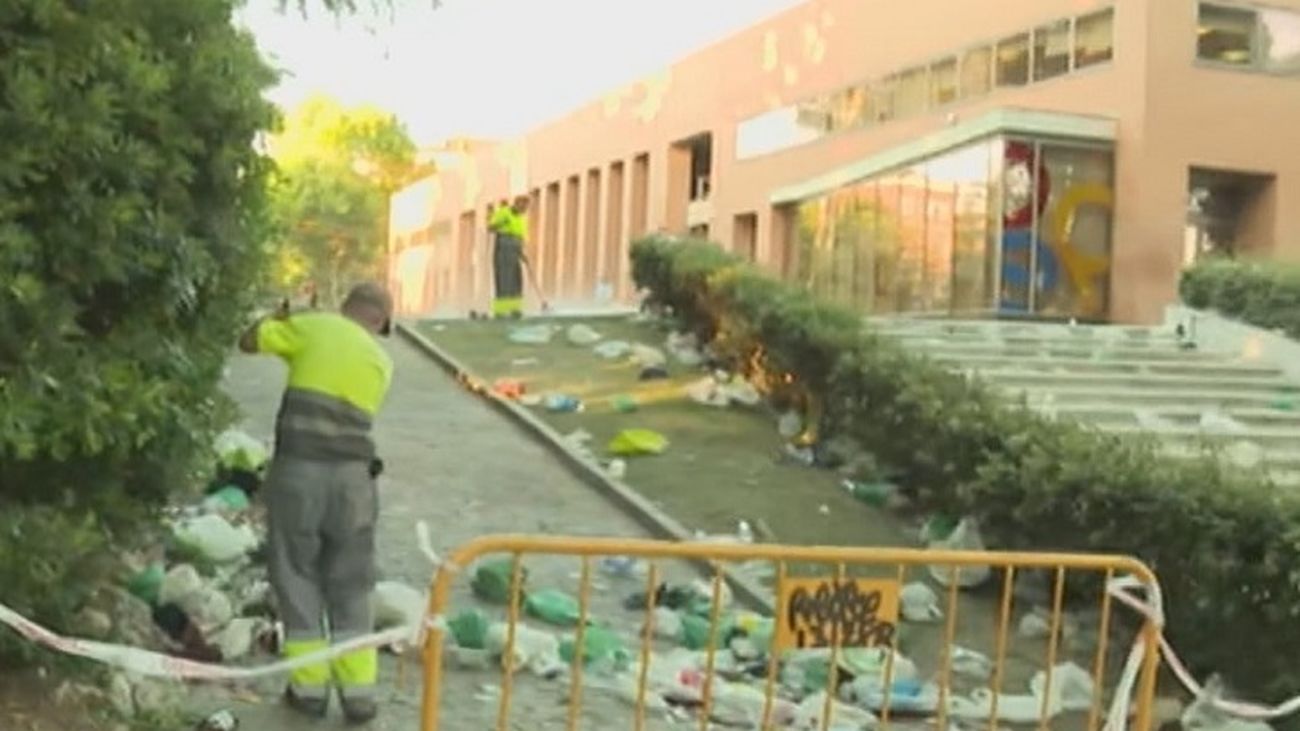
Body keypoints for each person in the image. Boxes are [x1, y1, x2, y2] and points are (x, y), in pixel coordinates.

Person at [238, 282, 395, 724]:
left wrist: (277, 318)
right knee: (351, 581)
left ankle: (308, 692)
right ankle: (358, 695)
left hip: (300, 475)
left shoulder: (315, 326)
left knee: (296, 573)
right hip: (354, 482)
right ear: (380, 320)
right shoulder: (381, 361)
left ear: (346, 306)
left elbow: (249, 341)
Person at [487, 195, 531, 318]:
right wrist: (499, 224)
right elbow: (490, 227)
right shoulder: (504, 212)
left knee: (516, 279)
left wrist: (522, 253)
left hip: (515, 247)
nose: (525, 209)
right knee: (504, 278)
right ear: (517, 203)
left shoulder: (521, 219)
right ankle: (501, 310)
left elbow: (520, 237)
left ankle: (515, 309)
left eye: (526, 207)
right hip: (504, 245)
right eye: (523, 206)